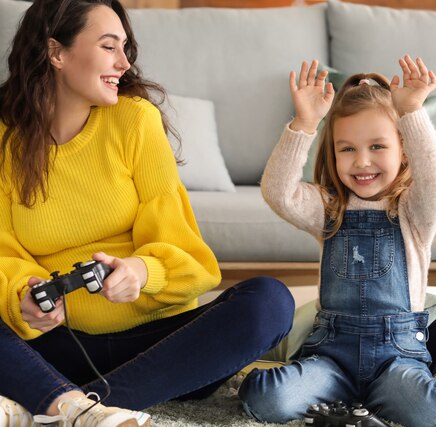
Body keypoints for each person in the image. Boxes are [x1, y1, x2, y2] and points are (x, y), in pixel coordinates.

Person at [0, 1, 295, 426]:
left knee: (269, 301)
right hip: (57, 346)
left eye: (125, 48)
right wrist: (23, 298)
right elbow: (4, 252)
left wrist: (140, 271)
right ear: (56, 53)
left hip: (163, 351)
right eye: (108, 47)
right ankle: (77, 409)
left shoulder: (135, 121)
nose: (124, 62)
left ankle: (65, 405)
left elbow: (191, 258)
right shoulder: (7, 141)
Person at [238, 57, 436, 427]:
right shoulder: (330, 207)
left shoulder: (414, 211)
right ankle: (276, 375)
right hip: (331, 360)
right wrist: (305, 124)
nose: (362, 162)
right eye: (347, 149)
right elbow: (278, 193)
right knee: (266, 400)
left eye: (377, 146)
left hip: (397, 361)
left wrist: (411, 112)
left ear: (403, 151)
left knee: (432, 413)